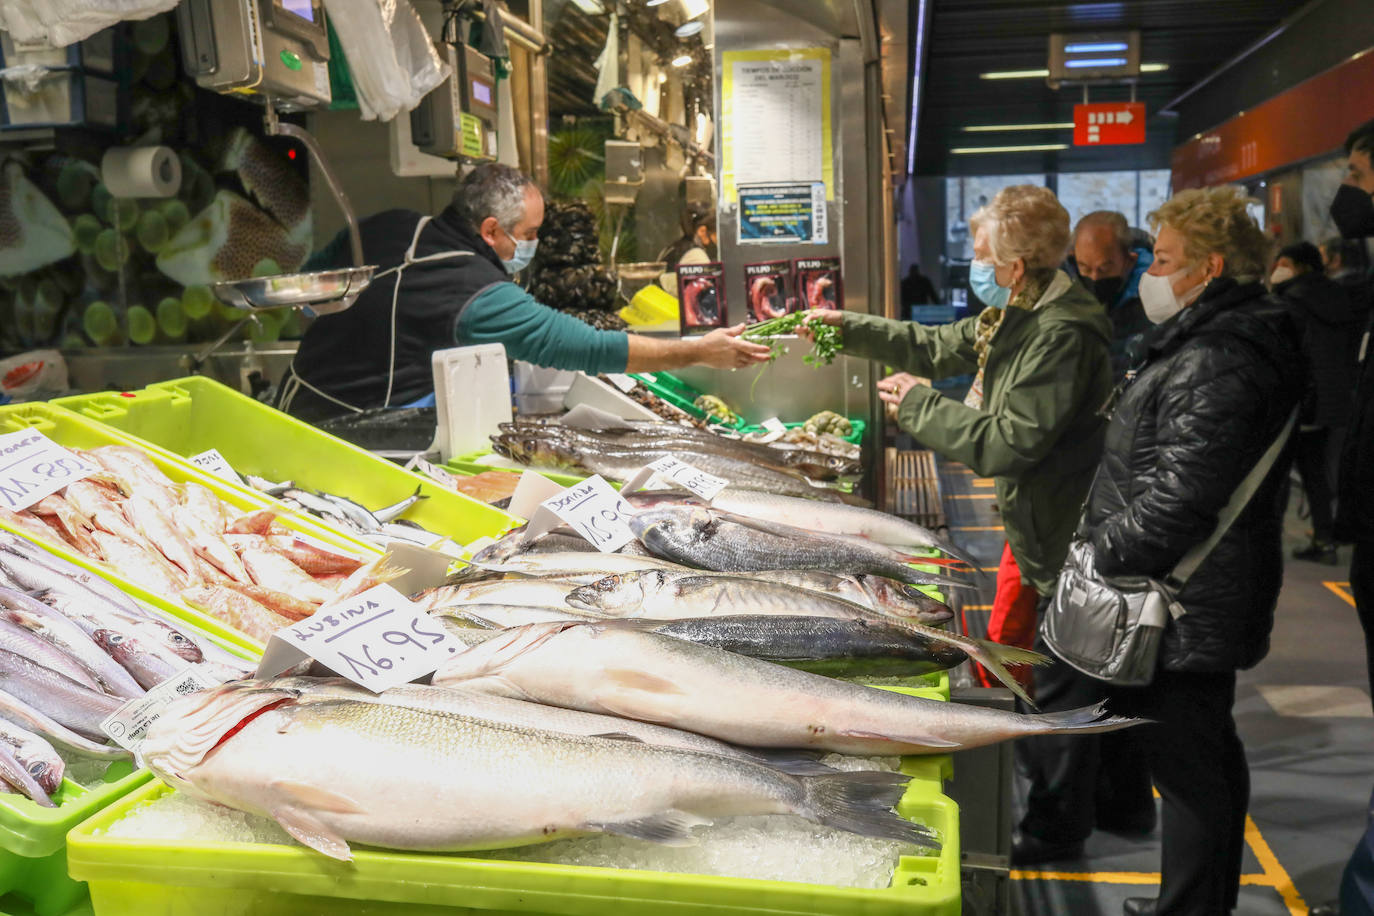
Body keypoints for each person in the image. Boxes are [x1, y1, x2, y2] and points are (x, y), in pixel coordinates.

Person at [1036, 186, 1301, 916]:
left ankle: (1190, 908)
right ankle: (1188, 903)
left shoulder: (1220, 356)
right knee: (1196, 757)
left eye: (1167, 258)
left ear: (1209, 268)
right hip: (1188, 592)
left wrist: (1099, 552)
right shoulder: (1213, 340)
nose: (1152, 270)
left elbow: (1182, 497)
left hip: (1184, 598)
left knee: (1192, 767)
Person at [801, 180, 1112, 759]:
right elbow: (936, 345)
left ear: (1015, 267)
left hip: (1063, 524)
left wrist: (919, 404)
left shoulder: (1060, 333)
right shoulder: (1019, 311)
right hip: (1033, 520)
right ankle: (1043, 765)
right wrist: (847, 327)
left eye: (983, 257)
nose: (974, 265)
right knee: (1013, 638)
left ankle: (1055, 798)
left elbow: (1006, 444)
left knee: (1062, 664)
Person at [279, 165, 767, 421]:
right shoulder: (478, 294)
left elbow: (309, 292)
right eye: (529, 233)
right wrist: (699, 351)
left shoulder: (386, 224)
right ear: (492, 229)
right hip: (363, 435)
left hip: (296, 401)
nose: (532, 244)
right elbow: (588, 347)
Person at [1270, 241, 1359, 564]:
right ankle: (1325, 540)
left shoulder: (1290, 300)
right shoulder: (1338, 296)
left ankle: (1267, 542)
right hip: (1332, 399)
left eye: (1282, 262)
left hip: (1300, 398)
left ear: (1297, 266)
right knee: (1316, 472)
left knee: (1276, 474)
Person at [1070, 210, 1155, 379]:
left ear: (1130, 260)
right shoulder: (1066, 288)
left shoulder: (1154, 297)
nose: (1094, 277)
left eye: (1104, 268)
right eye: (1085, 268)